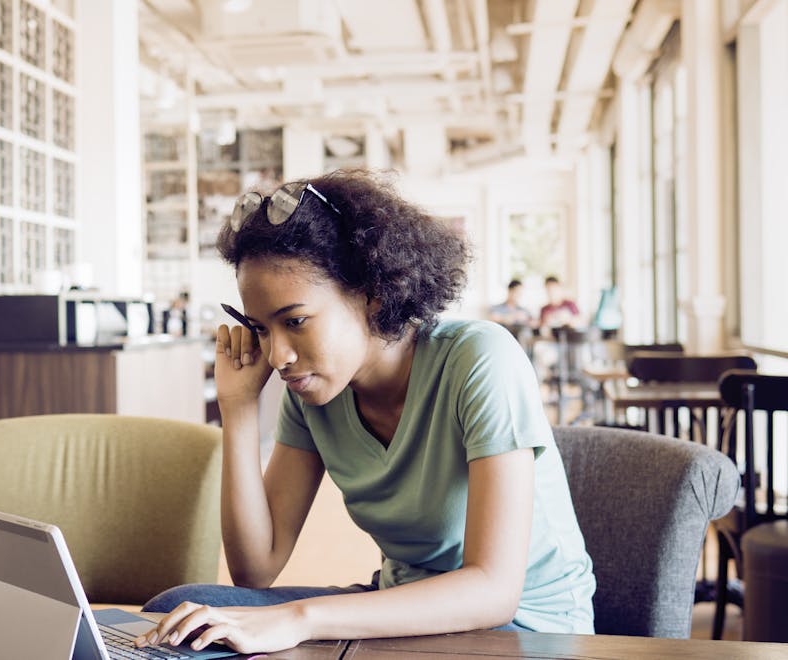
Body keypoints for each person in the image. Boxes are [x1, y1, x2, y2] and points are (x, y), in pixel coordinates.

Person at [134, 170, 595, 655]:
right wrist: (239, 408)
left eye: (294, 321)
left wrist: (300, 619)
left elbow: (493, 592)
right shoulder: (312, 394)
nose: (278, 356)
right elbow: (257, 567)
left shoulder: (480, 361)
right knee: (183, 612)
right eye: (262, 329)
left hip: (530, 629)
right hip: (402, 609)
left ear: (372, 294)